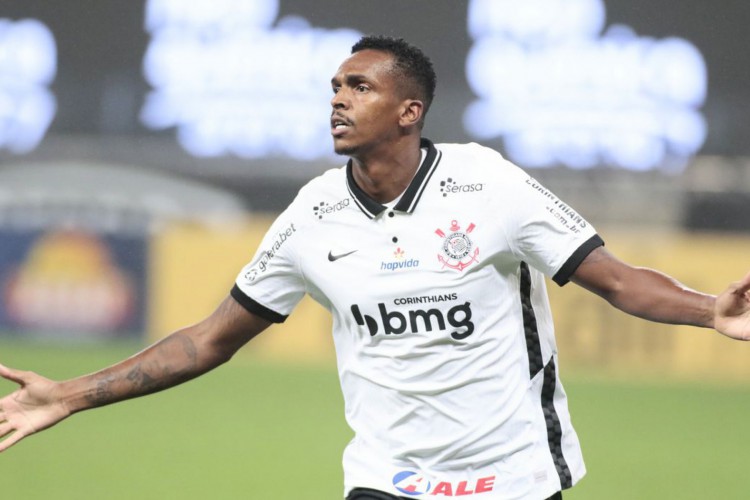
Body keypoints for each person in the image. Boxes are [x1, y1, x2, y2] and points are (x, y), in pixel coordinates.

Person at [1, 35, 749, 500]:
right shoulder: (312, 214)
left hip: (513, 480)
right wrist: (68, 395)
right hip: (384, 481)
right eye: (334, 87)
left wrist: (710, 309)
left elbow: (618, 280)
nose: (338, 100)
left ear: (409, 111)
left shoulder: (489, 184)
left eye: (359, 87)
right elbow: (208, 340)